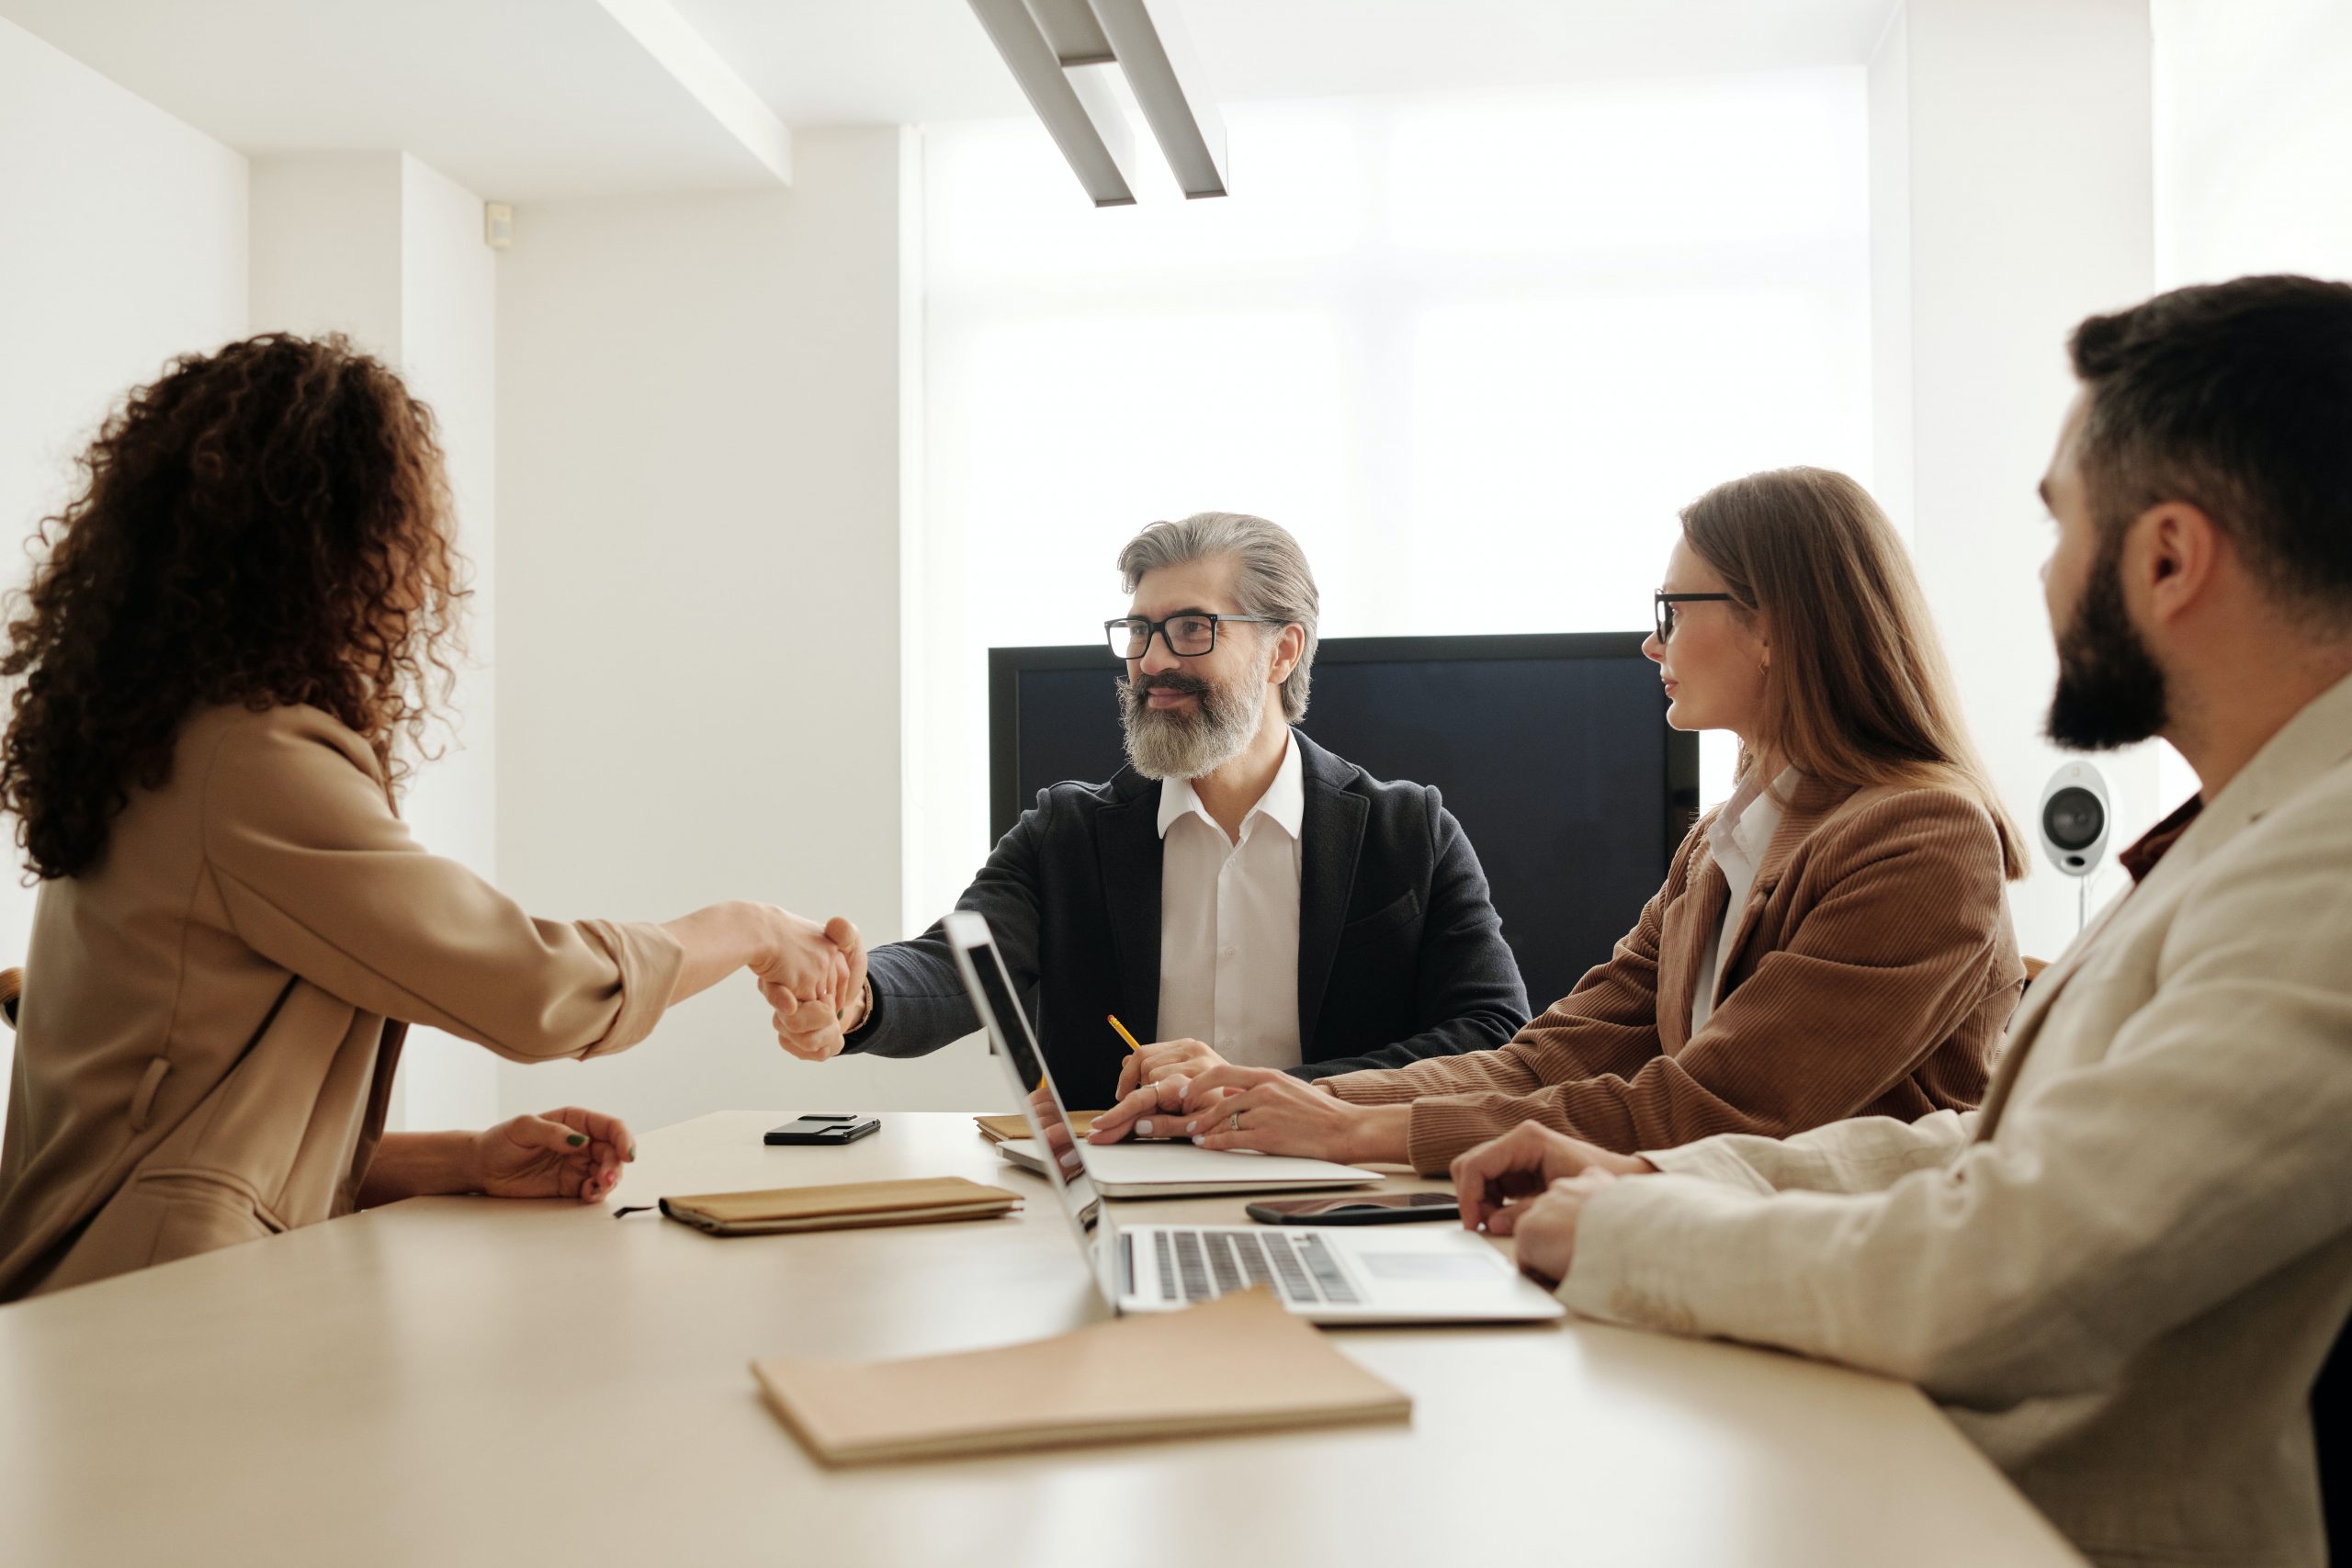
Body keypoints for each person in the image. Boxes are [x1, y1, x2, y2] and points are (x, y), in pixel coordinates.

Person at [1451, 275, 2352, 1568]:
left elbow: (2018, 1262)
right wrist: (1662, 1178)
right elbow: (1984, 1147)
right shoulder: (2251, 827)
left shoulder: (2327, 863)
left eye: (2061, 527)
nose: (2044, 577)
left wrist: (1640, 1230)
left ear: (2166, 557)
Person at [0, 334, 859, 1303]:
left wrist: (460, 1159)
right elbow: (534, 988)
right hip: (150, 1315)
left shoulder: (156, 746)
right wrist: (748, 928)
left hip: (111, 1299)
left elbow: (183, 1131)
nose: (417, 565)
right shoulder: (249, 763)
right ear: (337, 540)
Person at [1092, 468, 2027, 1173]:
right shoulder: (1720, 843)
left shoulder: (1922, 841)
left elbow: (1720, 1108)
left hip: (1838, 1305)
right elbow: (1546, 1058)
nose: (1650, 641)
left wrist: (1362, 1129)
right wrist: (1282, 1100)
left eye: (1672, 607)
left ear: (1775, 624)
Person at [769, 512, 1530, 1111]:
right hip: (1123, 1189)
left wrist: (1271, 1091)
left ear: (1283, 650)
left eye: (1191, 628)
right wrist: (857, 996)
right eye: (1139, 631)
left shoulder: (1410, 833)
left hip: (1337, 1185)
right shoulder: (1065, 835)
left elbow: (1493, 1036)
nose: (1152, 660)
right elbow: (954, 967)